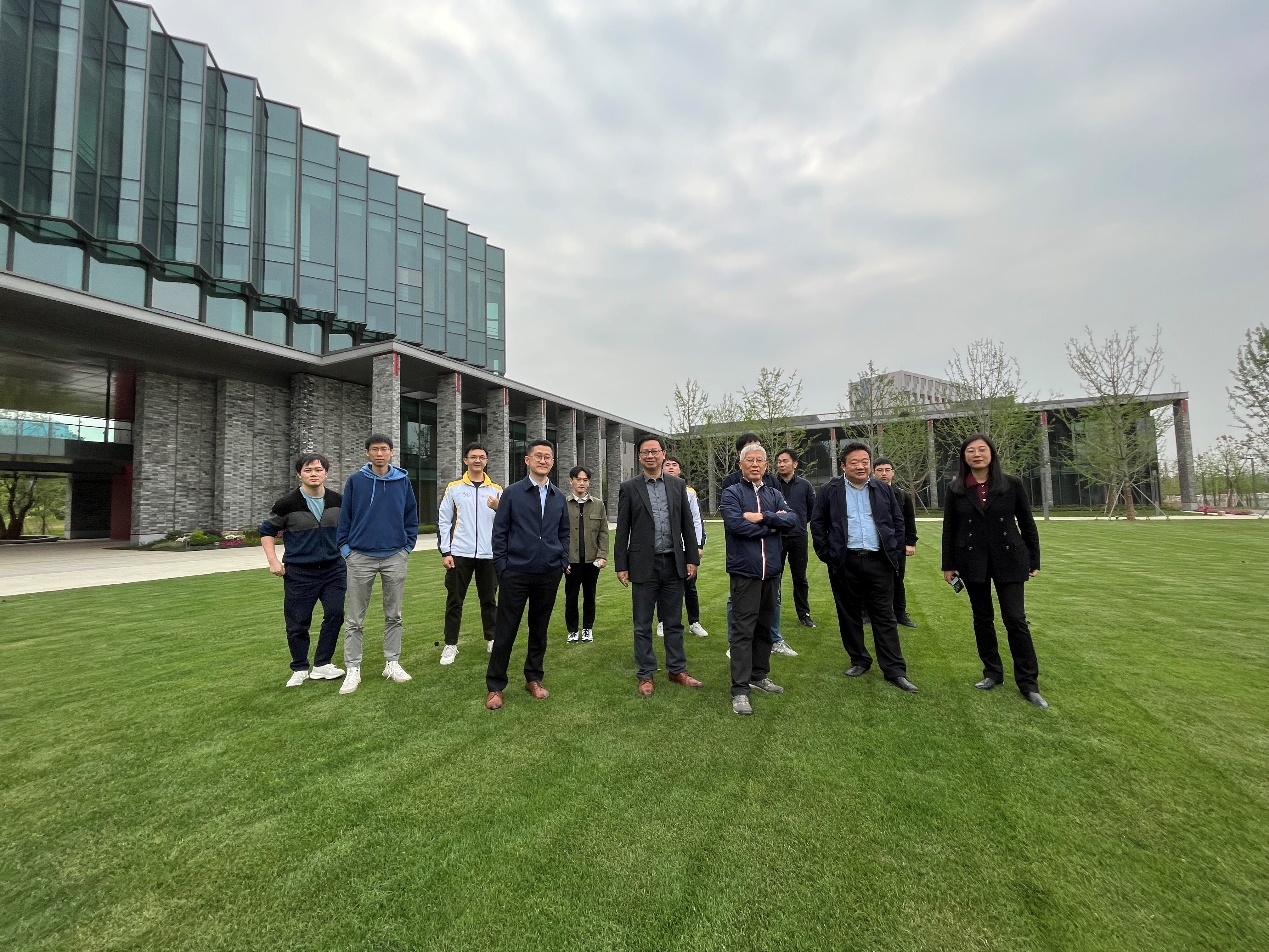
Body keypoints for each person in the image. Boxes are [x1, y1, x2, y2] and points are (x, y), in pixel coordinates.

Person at [941, 433, 1047, 709]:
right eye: (970, 451)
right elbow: (949, 528)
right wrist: (948, 565)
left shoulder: (1012, 484)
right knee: (982, 618)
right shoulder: (956, 488)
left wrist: (1034, 559)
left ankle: (1028, 683)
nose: (977, 454)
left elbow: (1027, 523)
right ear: (964, 457)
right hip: (971, 559)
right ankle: (992, 672)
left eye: (982, 449)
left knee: (1015, 619)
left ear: (991, 453)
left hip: (1009, 557)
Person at [809, 440, 918, 694]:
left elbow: (897, 521)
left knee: (885, 616)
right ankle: (859, 660)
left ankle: (894, 670)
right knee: (849, 614)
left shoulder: (882, 489)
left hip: (879, 561)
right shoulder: (829, 490)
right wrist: (828, 555)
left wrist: (893, 549)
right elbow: (818, 523)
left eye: (865, 462)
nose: (861, 466)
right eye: (854, 462)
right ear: (843, 466)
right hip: (844, 561)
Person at [485, 439, 571, 711]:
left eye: (548, 457)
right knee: (506, 630)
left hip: (548, 573)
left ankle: (533, 678)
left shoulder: (558, 496)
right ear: (527, 460)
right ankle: (495, 686)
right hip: (516, 573)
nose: (543, 460)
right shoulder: (512, 493)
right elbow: (500, 532)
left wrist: (561, 560)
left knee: (539, 629)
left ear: (552, 462)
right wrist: (502, 566)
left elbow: (564, 533)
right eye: (538, 456)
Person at [615, 435, 703, 696]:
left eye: (655, 451)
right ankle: (645, 674)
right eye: (645, 452)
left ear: (664, 454)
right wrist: (621, 564)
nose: (650, 456)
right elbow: (622, 529)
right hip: (643, 564)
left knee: (674, 622)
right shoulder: (629, 488)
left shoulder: (678, 485)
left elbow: (687, 525)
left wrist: (692, 559)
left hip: (673, 562)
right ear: (639, 456)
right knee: (642, 624)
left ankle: (677, 670)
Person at [720, 442, 800, 714]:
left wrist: (761, 517)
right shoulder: (732, 493)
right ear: (740, 464)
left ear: (766, 466)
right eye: (750, 460)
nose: (755, 464)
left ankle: (759, 675)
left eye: (760, 460)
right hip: (745, 571)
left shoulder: (774, 494)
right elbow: (737, 526)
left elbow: (792, 520)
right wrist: (772, 527)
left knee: (765, 626)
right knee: (743, 630)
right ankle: (740, 689)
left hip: (771, 572)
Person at [336, 433, 419, 695]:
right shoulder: (356, 481)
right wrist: (346, 550)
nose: (380, 453)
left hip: (395, 556)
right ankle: (353, 668)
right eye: (375, 449)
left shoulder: (402, 481)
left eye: (384, 449)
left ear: (392, 452)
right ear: (367, 453)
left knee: (394, 614)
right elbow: (345, 517)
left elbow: (411, 516)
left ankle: (392, 663)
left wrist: (407, 547)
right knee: (355, 618)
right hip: (360, 557)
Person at [260, 453, 346, 688]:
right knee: (298, 622)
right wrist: (273, 561)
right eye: (308, 470)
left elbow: (349, 528)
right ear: (299, 474)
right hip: (299, 572)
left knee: (335, 614)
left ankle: (322, 664)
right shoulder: (287, 503)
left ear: (326, 473)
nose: (314, 474)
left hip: (334, 569)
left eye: (318, 470)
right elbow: (267, 531)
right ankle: (299, 667)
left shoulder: (338, 500)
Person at [437, 442, 503, 666]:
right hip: (459, 553)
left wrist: (498, 507)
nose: (478, 460)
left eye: (482, 457)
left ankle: (492, 639)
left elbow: (507, 522)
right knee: (455, 601)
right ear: (465, 460)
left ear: (486, 461)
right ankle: (450, 644)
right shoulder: (454, 488)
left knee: (489, 600)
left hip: (488, 554)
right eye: (473, 457)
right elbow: (444, 521)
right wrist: (446, 551)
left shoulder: (496, 490)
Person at [660, 455, 708, 638]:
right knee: (663, 586)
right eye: (667, 465)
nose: (671, 467)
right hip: (666, 547)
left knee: (690, 586)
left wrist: (698, 545)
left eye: (674, 465)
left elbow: (696, 519)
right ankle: (663, 622)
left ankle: (694, 622)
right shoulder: (657, 490)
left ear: (679, 469)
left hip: (686, 547)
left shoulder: (689, 492)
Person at [564, 464, 608, 643]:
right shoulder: (563, 504)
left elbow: (603, 532)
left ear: (589, 483)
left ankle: (588, 628)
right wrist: (562, 559)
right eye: (578, 479)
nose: (582, 483)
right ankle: (572, 630)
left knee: (590, 596)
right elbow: (557, 533)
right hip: (571, 561)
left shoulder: (598, 504)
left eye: (585, 480)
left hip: (592, 560)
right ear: (571, 481)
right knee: (571, 597)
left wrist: (602, 555)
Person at [872, 457, 918, 628]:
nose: (884, 474)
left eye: (887, 470)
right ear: (874, 473)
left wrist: (910, 543)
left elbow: (909, 520)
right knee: (871, 580)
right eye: (879, 470)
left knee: (898, 580)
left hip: (896, 546)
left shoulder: (902, 496)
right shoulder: (867, 494)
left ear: (893, 472)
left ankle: (900, 613)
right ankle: (868, 612)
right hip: (874, 544)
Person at [774, 448, 818, 628]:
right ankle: (771, 613)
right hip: (776, 537)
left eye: (785, 461)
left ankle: (804, 613)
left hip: (798, 537)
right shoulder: (771, 484)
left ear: (795, 464)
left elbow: (812, 510)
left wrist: (798, 523)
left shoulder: (805, 485)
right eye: (779, 461)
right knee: (774, 578)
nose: (781, 464)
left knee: (800, 578)